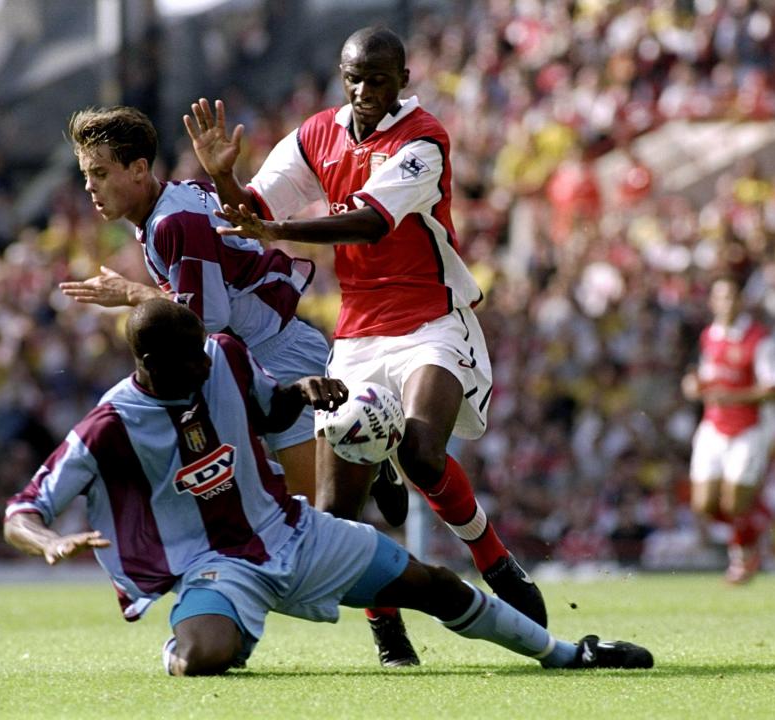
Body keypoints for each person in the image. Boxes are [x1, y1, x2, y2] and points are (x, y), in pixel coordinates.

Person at [3, 299, 653, 676]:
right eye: (188, 360)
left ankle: (568, 654)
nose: (205, 363)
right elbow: (22, 509)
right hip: (214, 564)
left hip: (292, 529)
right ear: (147, 366)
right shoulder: (107, 428)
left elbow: (273, 409)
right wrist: (45, 540)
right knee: (208, 659)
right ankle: (187, 639)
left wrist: (301, 395)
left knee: (434, 586)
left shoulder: (222, 354)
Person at [183, 25, 547, 665]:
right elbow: (253, 210)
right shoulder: (316, 134)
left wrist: (275, 226)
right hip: (357, 333)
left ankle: (495, 560)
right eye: (354, 78)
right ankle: (385, 622)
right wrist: (227, 180)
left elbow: (373, 221)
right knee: (333, 512)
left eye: (378, 78)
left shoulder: (424, 139)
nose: (364, 90)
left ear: (403, 79)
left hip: (431, 319)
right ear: (341, 76)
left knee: (424, 454)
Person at [58, 106, 405, 523]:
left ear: (137, 169)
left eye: (99, 173)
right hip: (250, 362)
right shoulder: (173, 203)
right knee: (254, 502)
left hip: (279, 359)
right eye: (85, 176)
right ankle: (364, 445)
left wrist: (132, 293)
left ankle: (368, 445)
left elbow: (207, 319)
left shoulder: (174, 222)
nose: (90, 187)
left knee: (319, 520)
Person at [681, 275, 775, 584]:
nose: (724, 303)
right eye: (719, 297)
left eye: (729, 297)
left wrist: (735, 396)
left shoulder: (759, 339)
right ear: (712, 302)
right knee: (702, 504)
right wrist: (692, 385)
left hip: (747, 429)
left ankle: (744, 553)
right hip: (713, 426)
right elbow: (701, 375)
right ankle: (752, 535)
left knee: (733, 503)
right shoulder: (708, 336)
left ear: (740, 301)